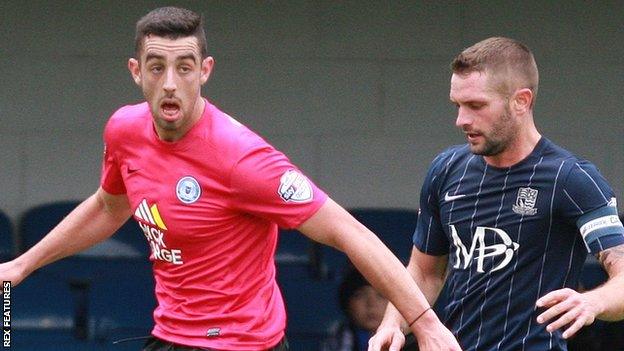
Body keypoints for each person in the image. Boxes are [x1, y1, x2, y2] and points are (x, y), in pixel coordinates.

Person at [0, 7, 461, 351]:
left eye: (184, 67)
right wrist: (22, 265)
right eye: (156, 66)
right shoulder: (124, 130)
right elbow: (108, 206)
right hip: (169, 334)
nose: (169, 83)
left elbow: (349, 232)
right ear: (136, 71)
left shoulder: (242, 158)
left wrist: (424, 323)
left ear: (205, 70)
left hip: (244, 343)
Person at [368, 37, 624, 351]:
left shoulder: (571, 178)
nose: (461, 120)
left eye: (476, 106)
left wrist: (592, 302)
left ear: (521, 101)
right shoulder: (446, 169)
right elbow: (424, 272)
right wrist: (392, 324)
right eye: (458, 105)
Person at [321, 266, 391, 351]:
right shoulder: (338, 339)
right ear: (347, 303)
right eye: (360, 295)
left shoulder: (406, 338)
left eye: (380, 295)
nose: (371, 304)